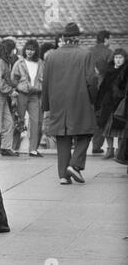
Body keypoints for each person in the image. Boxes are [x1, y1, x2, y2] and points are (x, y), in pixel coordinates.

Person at [42, 23, 98, 185]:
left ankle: (63, 175)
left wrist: (45, 104)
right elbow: (91, 80)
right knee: (86, 132)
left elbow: (45, 82)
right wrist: (94, 99)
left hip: (57, 101)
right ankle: (75, 165)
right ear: (77, 38)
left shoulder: (51, 56)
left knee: (62, 137)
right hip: (80, 100)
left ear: (64, 38)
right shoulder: (85, 55)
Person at [11, 39, 44, 156]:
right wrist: (16, 89)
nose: (30, 52)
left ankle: (33, 149)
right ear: (25, 50)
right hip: (21, 94)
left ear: (36, 51)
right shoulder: (19, 63)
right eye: (28, 49)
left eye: (33, 50)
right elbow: (13, 79)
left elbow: (44, 79)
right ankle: (14, 148)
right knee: (19, 120)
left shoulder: (40, 63)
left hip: (35, 95)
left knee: (36, 121)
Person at [95, 49, 128, 160]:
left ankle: (119, 150)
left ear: (125, 59)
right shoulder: (109, 71)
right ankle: (110, 149)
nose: (118, 60)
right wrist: (99, 102)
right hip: (108, 104)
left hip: (120, 104)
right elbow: (103, 88)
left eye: (120, 58)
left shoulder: (126, 71)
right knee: (107, 128)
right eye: (116, 58)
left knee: (120, 129)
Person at [89, 30, 114, 155]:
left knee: (90, 116)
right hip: (102, 89)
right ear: (105, 39)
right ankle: (97, 145)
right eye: (109, 39)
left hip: (88, 88)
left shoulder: (88, 51)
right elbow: (110, 72)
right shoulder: (109, 53)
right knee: (101, 116)